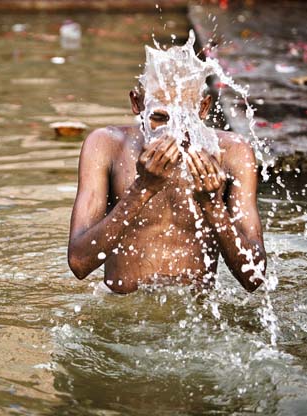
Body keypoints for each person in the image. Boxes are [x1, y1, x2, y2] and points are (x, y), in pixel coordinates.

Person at [67, 37, 266, 294]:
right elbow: (79, 263)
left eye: (185, 118)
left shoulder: (232, 153)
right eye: (160, 118)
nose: (174, 132)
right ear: (137, 103)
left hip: (196, 320)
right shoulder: (106, 145)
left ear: (204, 108)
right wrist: (142, 189)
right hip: (125, 314)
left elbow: (254, 277)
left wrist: (212, 205)